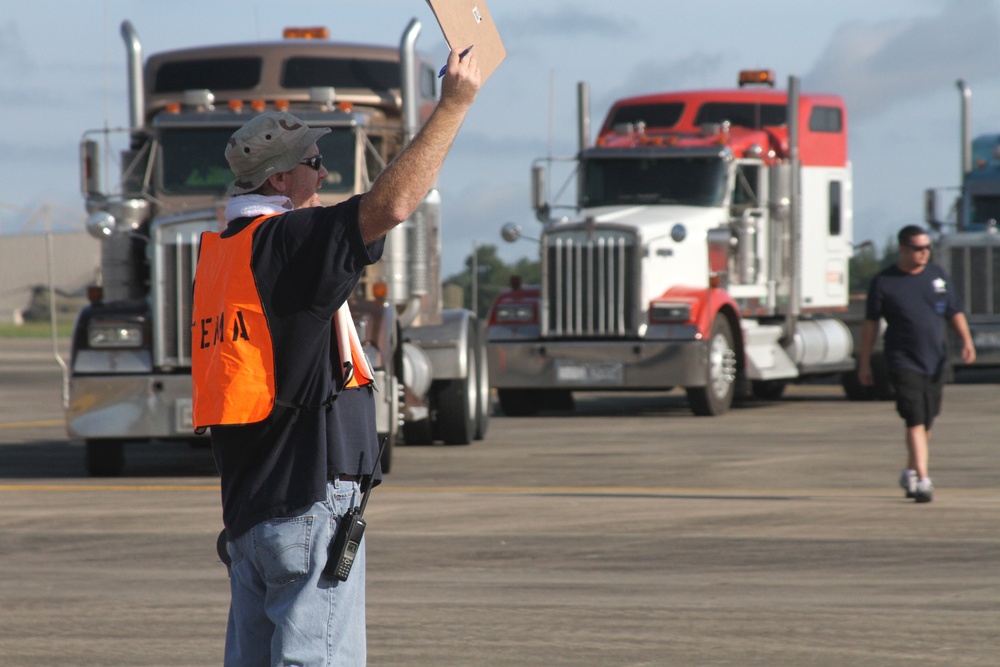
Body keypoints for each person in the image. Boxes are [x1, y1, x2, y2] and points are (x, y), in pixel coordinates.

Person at [190, 48, 481, 666]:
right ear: (278, 180)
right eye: (315, 164)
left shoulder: (225, 253)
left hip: (250, 509)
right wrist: (454, 104)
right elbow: (390, 207)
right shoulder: (287, 243)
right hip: (305, 499)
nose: (324, 176)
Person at [858, 225, 976, 503]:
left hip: (936, 360)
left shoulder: (938, 276)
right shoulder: (884, 282)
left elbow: (954, 311)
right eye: (918, 248)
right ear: (903, 249)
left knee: (928, 420)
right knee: (914, 417)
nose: (924, 253)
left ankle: (910, 470)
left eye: (927, 248)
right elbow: (870, 326)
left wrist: (967, 341)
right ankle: (923, 478)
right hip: (902, 360)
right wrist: (864, 363)